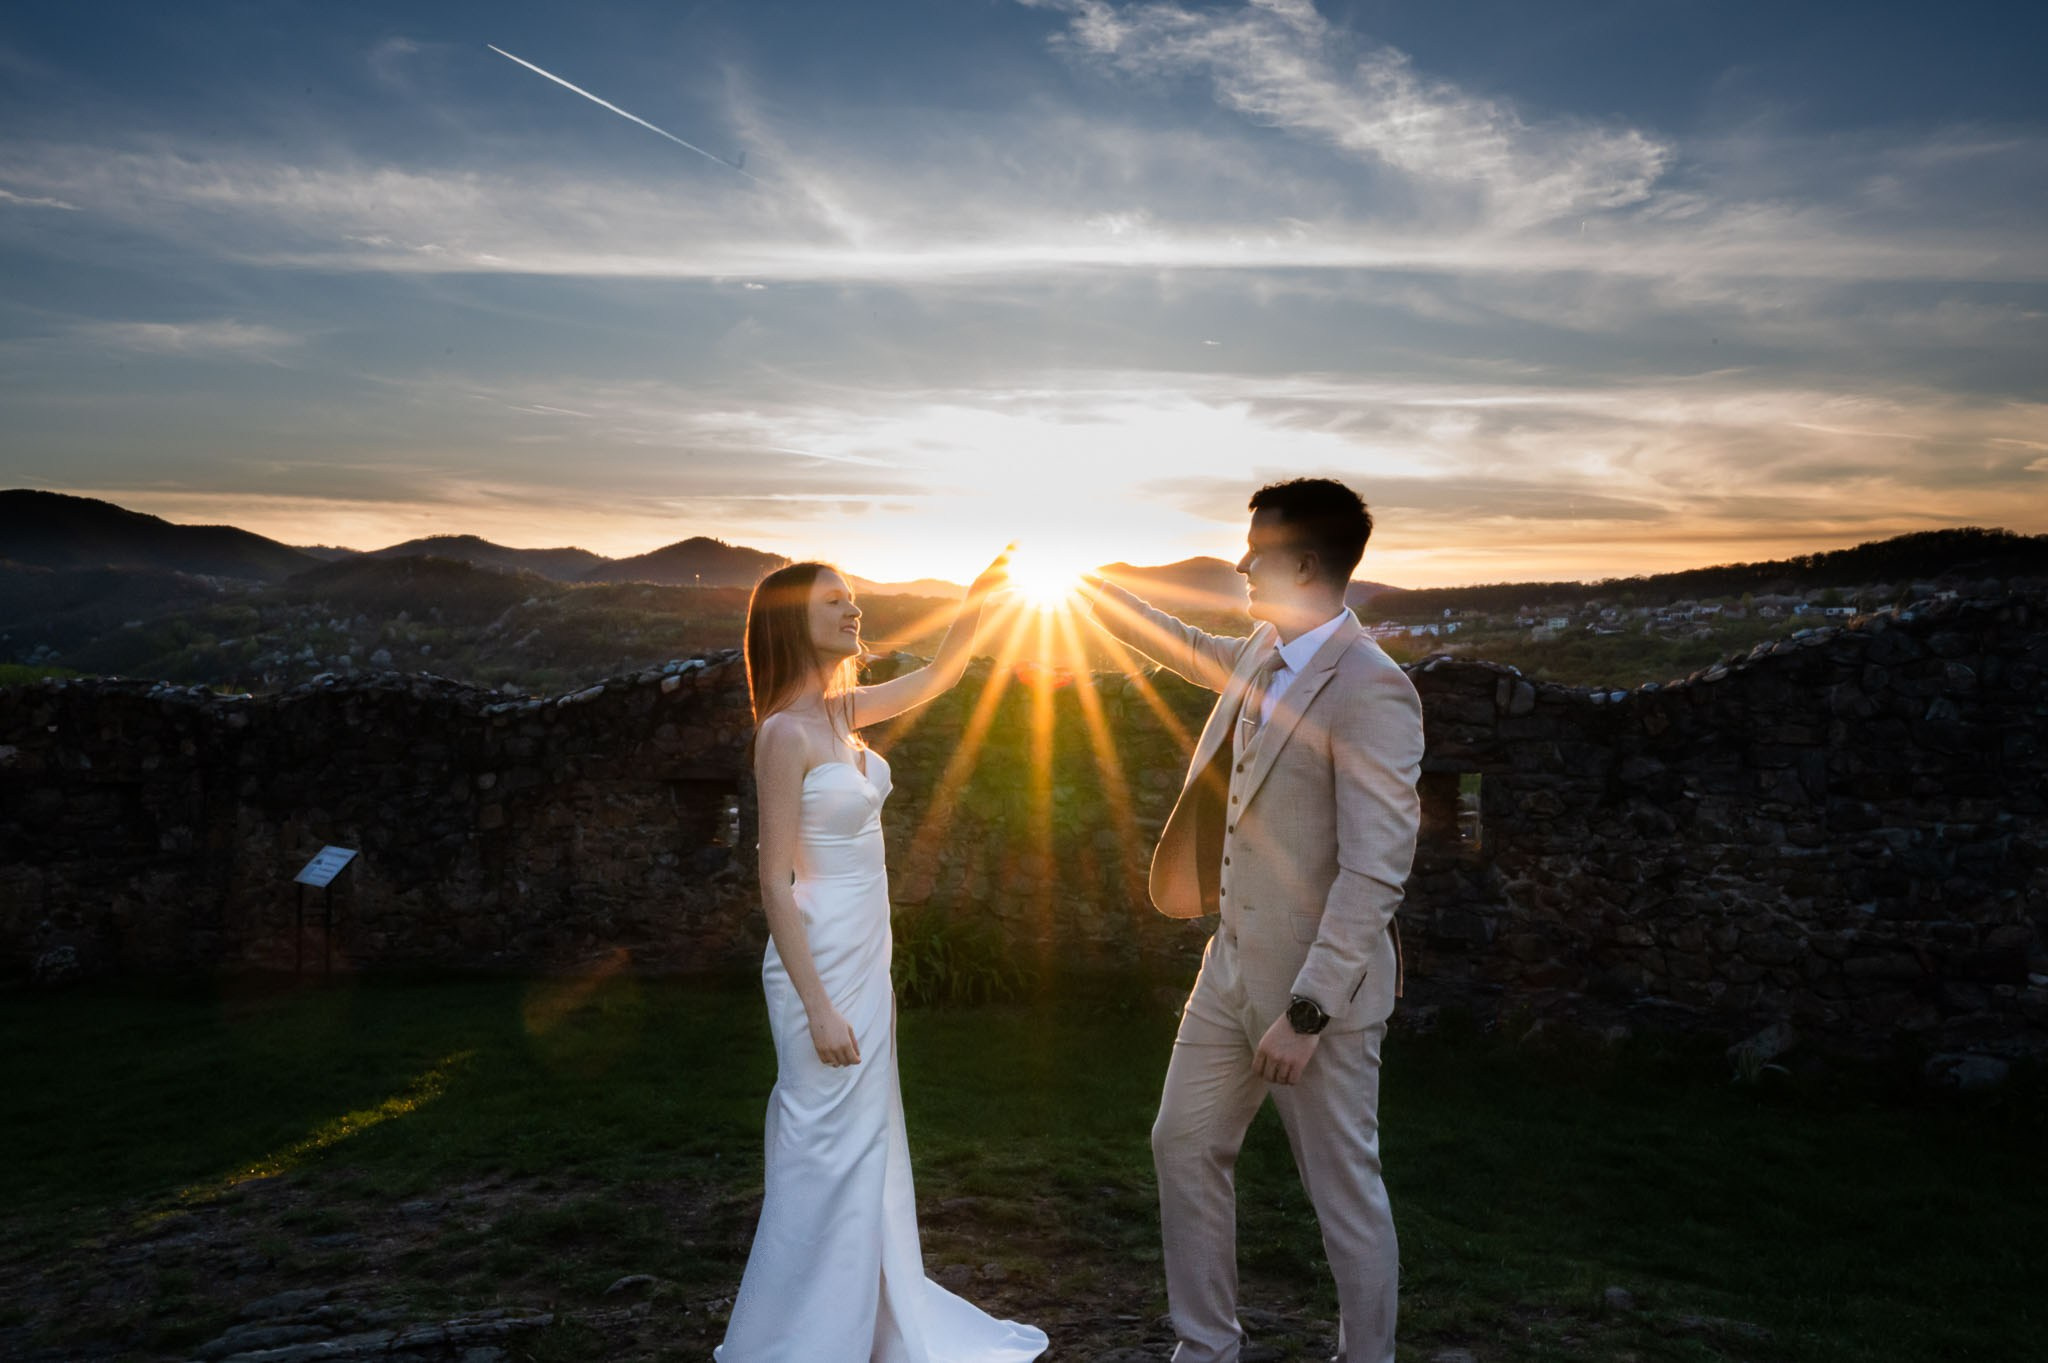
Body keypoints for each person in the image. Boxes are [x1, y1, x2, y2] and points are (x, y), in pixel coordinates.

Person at [1079, 479, 1424, 1363]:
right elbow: (1184, 645)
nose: (1240, 563)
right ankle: (1207, 1348)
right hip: (1227, 969)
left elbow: (1373, 871)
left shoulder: (1372, 691)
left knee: (1342, 1191)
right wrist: (1079, 586)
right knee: (1182, 1144)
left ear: (1305, 563)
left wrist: (1308, 1012)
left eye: (1256, 550)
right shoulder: (1266, 651)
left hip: (1319, 997)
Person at [717, 553, 1047, 1363]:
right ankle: (799, 1335)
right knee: (818, 1138)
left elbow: (940, 675)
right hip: (817, 960)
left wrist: (975, 601)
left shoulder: (842, 711)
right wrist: (819, 1005)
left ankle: (864, 1318)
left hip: (867, 953)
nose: (854, 610)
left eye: (854, 598)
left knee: (867, 1136)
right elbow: (773, 881)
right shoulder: (784, 735)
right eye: (836, 602)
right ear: (795, 620)